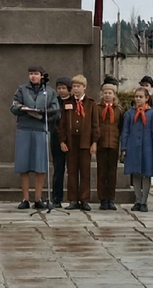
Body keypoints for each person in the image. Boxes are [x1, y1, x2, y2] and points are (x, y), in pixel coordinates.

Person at [11, 65, 58, 209]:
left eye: (36, 74)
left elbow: (56, 110)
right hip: (24, 129)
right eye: (31, 74)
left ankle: (38, 198)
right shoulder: (22, 89)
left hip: (41, 129)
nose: (33, 76)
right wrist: (21, 108)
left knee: (40, 165)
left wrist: (43, 113)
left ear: (42, 75)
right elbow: (13, 106)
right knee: (23, 165)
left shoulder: (49, 92)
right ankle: (25, 198)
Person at [58, 74, 98, 211]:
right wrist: (62, 140)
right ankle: (73, 199)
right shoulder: (67, 103)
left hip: (85, 141)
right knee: (72, 171)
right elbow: (62, 124)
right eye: (74, 86)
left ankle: (85, 199)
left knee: (85, 171)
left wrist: (94, 142)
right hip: (71, 142)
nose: (75, 89)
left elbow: (95, 124)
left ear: (84, 87)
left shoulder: (91, 104)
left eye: (78, 86)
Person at [121, 88, 153, 212]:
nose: (138, 99)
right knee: (135, 173)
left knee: (146, 174)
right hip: (133, 147)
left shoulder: (152, 113)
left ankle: (144, 201)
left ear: (146, 98)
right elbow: (125, 132)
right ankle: (137, 199)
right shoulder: (129, 113)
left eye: (140, 97)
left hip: (147, 147)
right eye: (136, 96)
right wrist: (124, 148)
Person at [95, 83, 122, 210]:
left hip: (114, 144)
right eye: (105, 93)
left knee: (112, 173)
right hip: (101, 144)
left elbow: (120, 127)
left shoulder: (119, 110)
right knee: (101, 172)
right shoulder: (97, 108)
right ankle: (102, 199)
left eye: (110, 93)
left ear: (114, 95)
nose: (107, 95)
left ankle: (111, 198)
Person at [51, 77, 73, 207]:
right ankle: (56, 198)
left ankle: (73, 198)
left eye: (64, 88)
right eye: (59, 88)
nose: (61, 91)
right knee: (58, 169)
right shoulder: (54, 102)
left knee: (72, 170)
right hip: (56, 138)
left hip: (72, 138)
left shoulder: (73, 102)